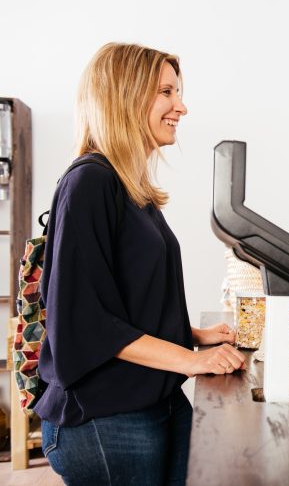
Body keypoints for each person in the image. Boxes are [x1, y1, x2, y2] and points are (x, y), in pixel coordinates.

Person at [36, 43, 246, 486]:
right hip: (105, 417)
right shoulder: (89, 183)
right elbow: (83, 322)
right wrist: (192, 361)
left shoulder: (132, 189)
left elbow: (125, 301)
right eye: (167, 92)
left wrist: (191, 335)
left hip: (155, 398)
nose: (181, 107)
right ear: (125, 96)